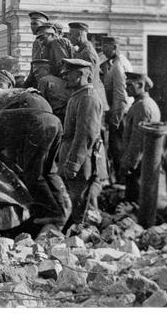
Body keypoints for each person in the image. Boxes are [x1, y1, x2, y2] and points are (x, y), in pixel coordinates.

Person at [0, 89, 68, 223]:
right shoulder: (9, 120)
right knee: (48, 171)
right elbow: (12, 149)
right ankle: (62, 209)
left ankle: (52, 213)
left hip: (40, 125)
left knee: (33, 174)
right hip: (55, 122)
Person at [57, 58, 107, 225]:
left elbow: (85, 135)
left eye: (68, 74)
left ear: (80, 75)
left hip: (83, 161)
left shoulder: (88, 98)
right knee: (77, 204)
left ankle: (92, 242)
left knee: (83, 206)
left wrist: (73, 164)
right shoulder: (78, 96)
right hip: (76, 157)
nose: (64, 77)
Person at [119, 72, 161, 203]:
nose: (126, 88)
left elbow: (137, 141)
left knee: (135, 200)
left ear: (141, 85)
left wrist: (129, 163)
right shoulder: (143, 103)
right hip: (142, 162)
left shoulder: (143, 107)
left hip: (138, 164)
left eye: (130, 85)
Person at [100, 36, 131, 182]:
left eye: (106, 47)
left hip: (120, 115)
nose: (103, 50)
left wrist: (115, 120)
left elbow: (121, 96)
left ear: (114, 48)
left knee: (118, 150)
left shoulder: (118, 66)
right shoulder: (116, 63)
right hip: (120, 113)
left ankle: (121, 182)